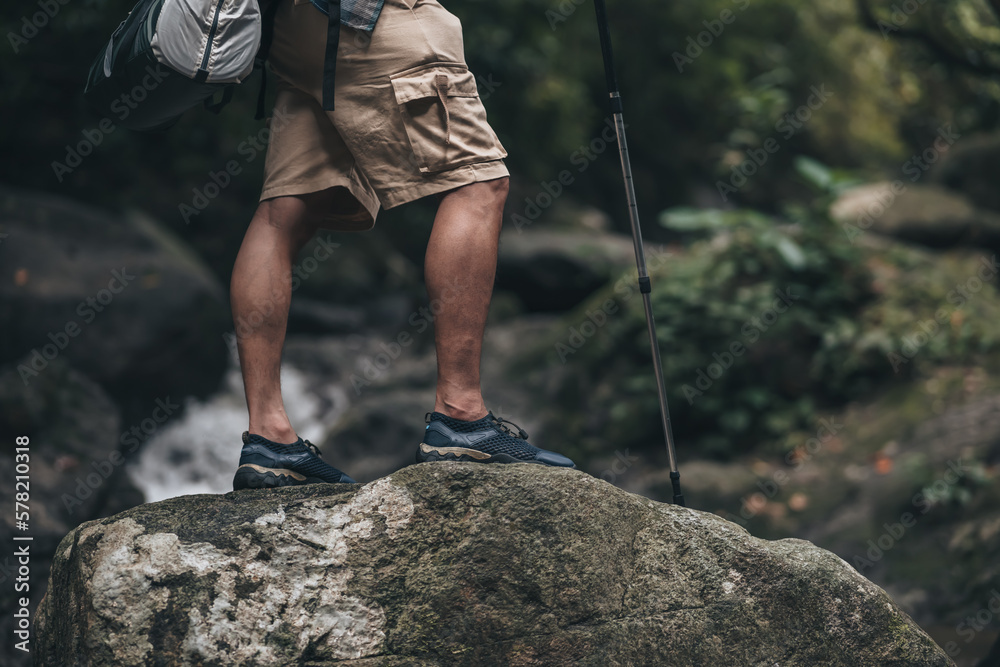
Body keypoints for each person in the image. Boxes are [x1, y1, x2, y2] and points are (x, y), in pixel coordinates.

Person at [230, 0, 576, 490]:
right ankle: (461, 417)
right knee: (479, 182)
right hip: (368, 19)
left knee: (283, 214)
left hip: (295, 30)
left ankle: (268, 437)